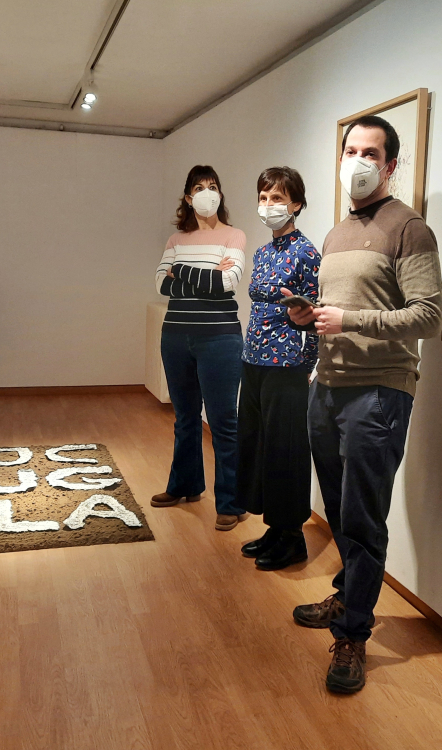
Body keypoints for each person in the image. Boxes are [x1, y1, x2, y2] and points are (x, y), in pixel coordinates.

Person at [285, 115, 442, 693]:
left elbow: (428, 316)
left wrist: (350, 319)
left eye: (370, 152)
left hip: (379, 393)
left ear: (391, 164)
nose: (358, 161)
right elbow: (338, 309)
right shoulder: (334, 233)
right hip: (326, 387)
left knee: (362, 515)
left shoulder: (410, 230)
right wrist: (311, 315)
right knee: (335, 508)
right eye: (351, 150)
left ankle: (354, 632)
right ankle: (348, 596)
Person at [152, 165, 249, 531]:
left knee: (224, 422)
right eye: (199, 187)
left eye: (213, 186)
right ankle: (184, 486)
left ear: (220, 194)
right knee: (186, 418)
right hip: (175, 336)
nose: (207, 192)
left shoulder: (234, 236)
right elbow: (162, 284)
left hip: (220, 339)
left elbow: (228, 283)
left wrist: (184, 273)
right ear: (189, 197)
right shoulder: (176, 240)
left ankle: (231, 502)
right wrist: (203, 276)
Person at [236, 167, 319, 570]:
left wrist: (308, 364)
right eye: (264, 197)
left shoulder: (307, 253)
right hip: (253, 360)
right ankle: (274, 526)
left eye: (278, 198)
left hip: (287, 364)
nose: (269, 205)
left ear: (296, 204)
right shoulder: (263, 251)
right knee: (259, 445)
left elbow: (316, 313)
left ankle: (293, 536)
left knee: (287, 450)